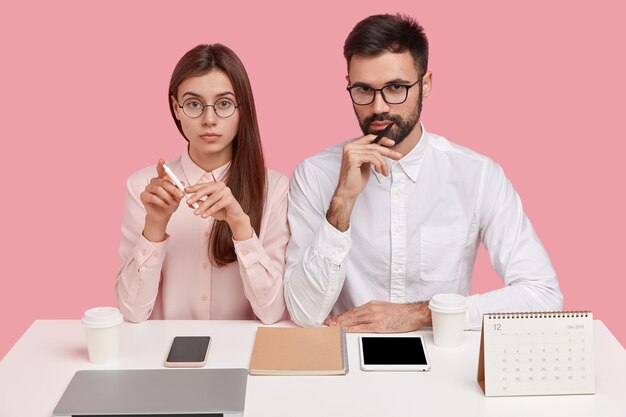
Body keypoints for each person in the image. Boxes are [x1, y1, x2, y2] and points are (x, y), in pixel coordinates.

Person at [284, 14, 562, 332]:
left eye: (396, 88)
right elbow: (304, 312)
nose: (378, 107)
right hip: (348, 359)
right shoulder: (315, 175)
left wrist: (422, 313)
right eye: (363, 90)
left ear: (425, 85)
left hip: (445, 361)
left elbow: (543, 295)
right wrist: (342, 205)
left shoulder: (478, 175)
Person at [115, 44, 289, 324]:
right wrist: (155, 226)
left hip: (241, 357)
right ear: (176, 108)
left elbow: (271, 312)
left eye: (223, 104)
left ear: (241, 109)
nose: (209, 120)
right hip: (162, 357)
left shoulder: (275, 188)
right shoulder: (144, 187)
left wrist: (240, 225)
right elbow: (131, 312)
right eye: (194, 104)